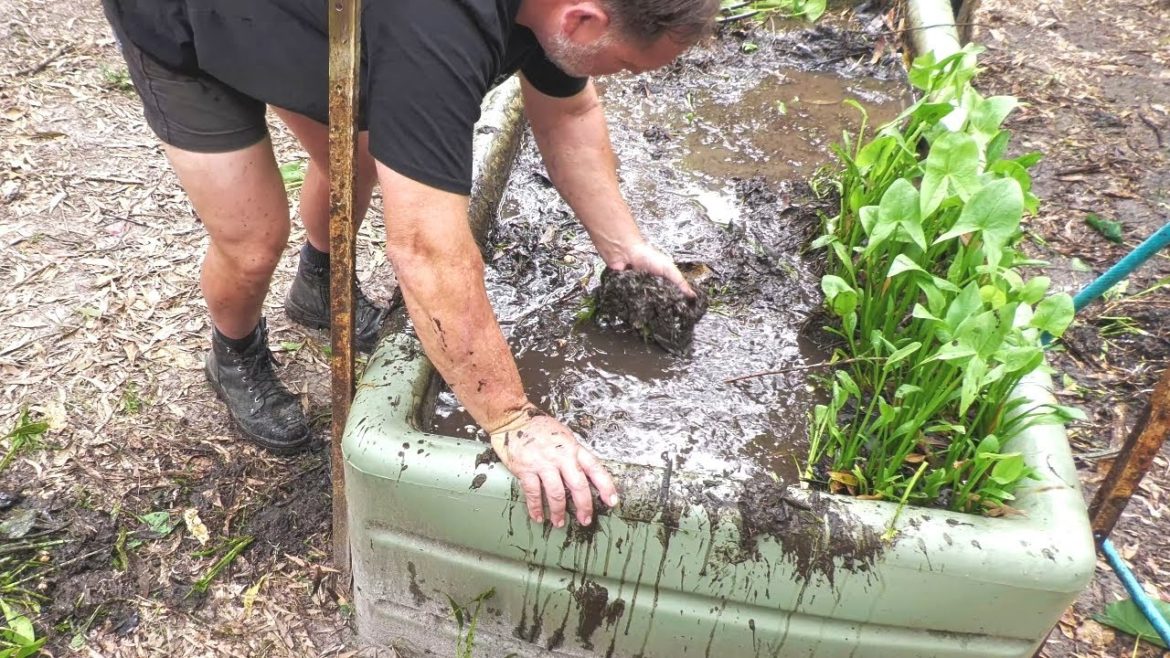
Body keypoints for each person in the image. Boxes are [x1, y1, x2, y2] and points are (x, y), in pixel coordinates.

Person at [100, 0, 718, 530]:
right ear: (583, 21)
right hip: (188, 24)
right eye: (628, 66)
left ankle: (318, 284)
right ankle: (232, 353)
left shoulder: (549, 20)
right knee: (253, 238)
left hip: (310, 24)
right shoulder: (442, 31)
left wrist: (623, 248)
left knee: (365, 155)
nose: (624, 78)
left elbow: (571, 115)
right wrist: (510, 417)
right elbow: (425, 245)